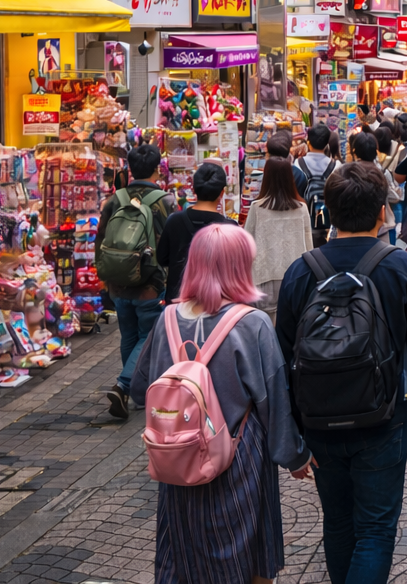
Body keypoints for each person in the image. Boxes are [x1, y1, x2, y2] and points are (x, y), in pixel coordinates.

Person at [276, 162, 407, 584]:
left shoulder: (301, 271)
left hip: (318, 421)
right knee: (376, 528)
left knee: (337, 521)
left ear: (327, 210)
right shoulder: (404, 269)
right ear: (382, 211)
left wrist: (294, 425)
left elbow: (284, 354)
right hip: (383, 417)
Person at [131, 223, 309, 582]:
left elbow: (140, 389)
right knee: (246, 555)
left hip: (179, 460)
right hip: (239, 458)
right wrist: (295, 456)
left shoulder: (167, 318)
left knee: (184, 554)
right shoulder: (253, 324)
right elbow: (273, 401)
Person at [98, 143, 178, 420]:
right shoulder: (165, 201)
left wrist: (105, 278)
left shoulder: (114, 200)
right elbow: (173, 243)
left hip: (119, 282)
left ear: (130, 168)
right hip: (151, 284)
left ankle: (131, 388)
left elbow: (100, 241)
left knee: (129, 335)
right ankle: (125, 385)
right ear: (157, 168)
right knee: (147, 335)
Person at [157, 162, 234, 305]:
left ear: (193, 189)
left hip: (178, 302)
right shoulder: (230, 228)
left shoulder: (174, 221)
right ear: (222, 193)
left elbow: (162, 258)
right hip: (216, 305)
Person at [245, 156, 314, 309]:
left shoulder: (257, 208)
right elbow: (309, 248)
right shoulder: (301, 208)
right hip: (296, 278)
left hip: (263, 280)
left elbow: (246, 246)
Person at [298, 125, 341, 247]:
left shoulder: (298, 164)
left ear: (308, 142)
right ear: (327, 143)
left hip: (304, 221)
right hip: (328, 225)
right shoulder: (336, 166)